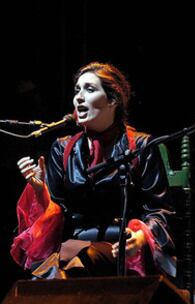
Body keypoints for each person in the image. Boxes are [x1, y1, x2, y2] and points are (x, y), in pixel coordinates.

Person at [11, 62, 176, 278]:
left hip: (123, 246)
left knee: (81, 262)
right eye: (77, 90)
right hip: (73, 244)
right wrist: (40, 189)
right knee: (46, 273)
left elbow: (159, 211)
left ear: (113, 100)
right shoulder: (63, 148)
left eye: (89, 89)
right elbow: (57, 214)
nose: (79, 97)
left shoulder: (142, 146)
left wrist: (142, 237)